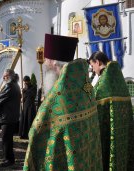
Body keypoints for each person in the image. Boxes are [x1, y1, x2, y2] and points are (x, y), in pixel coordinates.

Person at [23, 34, 103, 170]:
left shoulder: (59, 97)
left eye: (47, 59)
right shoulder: (84, 88)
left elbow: (36, 133)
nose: (45, 63)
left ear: (54, 63)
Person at [88, 51, 134, 171]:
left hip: (106, 133)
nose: (93, 70)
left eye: (92, 66)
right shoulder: (118, 79)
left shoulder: (103, 82)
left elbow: (94, 104)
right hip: (122, 133)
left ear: (98, 62)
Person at [0, 69, 21, 167]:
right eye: (3, 76)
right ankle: (8, 158)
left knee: (6, 139)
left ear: (10, 76)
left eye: (5, 76)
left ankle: (8, 159)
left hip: (7, 117)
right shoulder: (16, 85)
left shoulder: (9, 85)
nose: (3, 78)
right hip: (12, 116)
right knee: (8, 139)